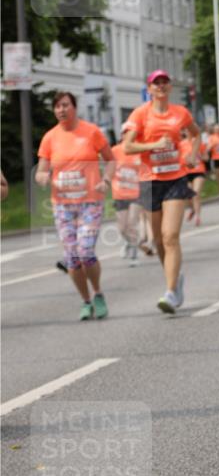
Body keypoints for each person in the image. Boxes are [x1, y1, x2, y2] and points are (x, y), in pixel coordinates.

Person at [124, 70, 200, 314]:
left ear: (169, 87)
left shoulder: (181, 113)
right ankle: (175, 280)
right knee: (158, 241)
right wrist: (154, 145)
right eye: (156, 83)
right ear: (149, 88)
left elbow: (196, 135)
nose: (161, 86)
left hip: (175, 179)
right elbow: (127, 147)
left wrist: (191, 154)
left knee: (170, 236)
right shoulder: (140, 114)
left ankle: (169, 292)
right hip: (149, 181)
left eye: (165, 82)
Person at [35, 92, 114, 320]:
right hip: (63, 205)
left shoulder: (91, 132)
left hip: (90, 202)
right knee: (71, 257)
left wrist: (106, 180)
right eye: (57, 106)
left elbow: (111, 160)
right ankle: (85, 300)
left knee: (86, 250)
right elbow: (41, 171)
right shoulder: (50, 138)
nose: (61, 110)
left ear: (74, 107)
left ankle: (98, 293)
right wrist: (44, 178)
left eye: (65, 105)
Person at [110, 123, 144, 264]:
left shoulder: (139, 151)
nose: (127, 135)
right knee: (122, 228)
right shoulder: (115, 151)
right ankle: (128, 243)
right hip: (119, 194)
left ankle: (134, 254)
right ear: (122, 135)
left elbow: (145, 172)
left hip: (136, 194)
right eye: (125, 132)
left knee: (132, 223)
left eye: (130, 133)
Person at [181, 128, 207, 226]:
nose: (189, 132)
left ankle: (197, 217)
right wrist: (185, 159)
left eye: (190, 130)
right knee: (188, 196)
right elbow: (178, 159)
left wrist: (199, 156)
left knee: (195, 194)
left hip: (198, 171)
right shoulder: (181, 144)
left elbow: (206, 157)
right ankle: (193, 209)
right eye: (187, 130)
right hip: (186, 172)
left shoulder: (199, 143)